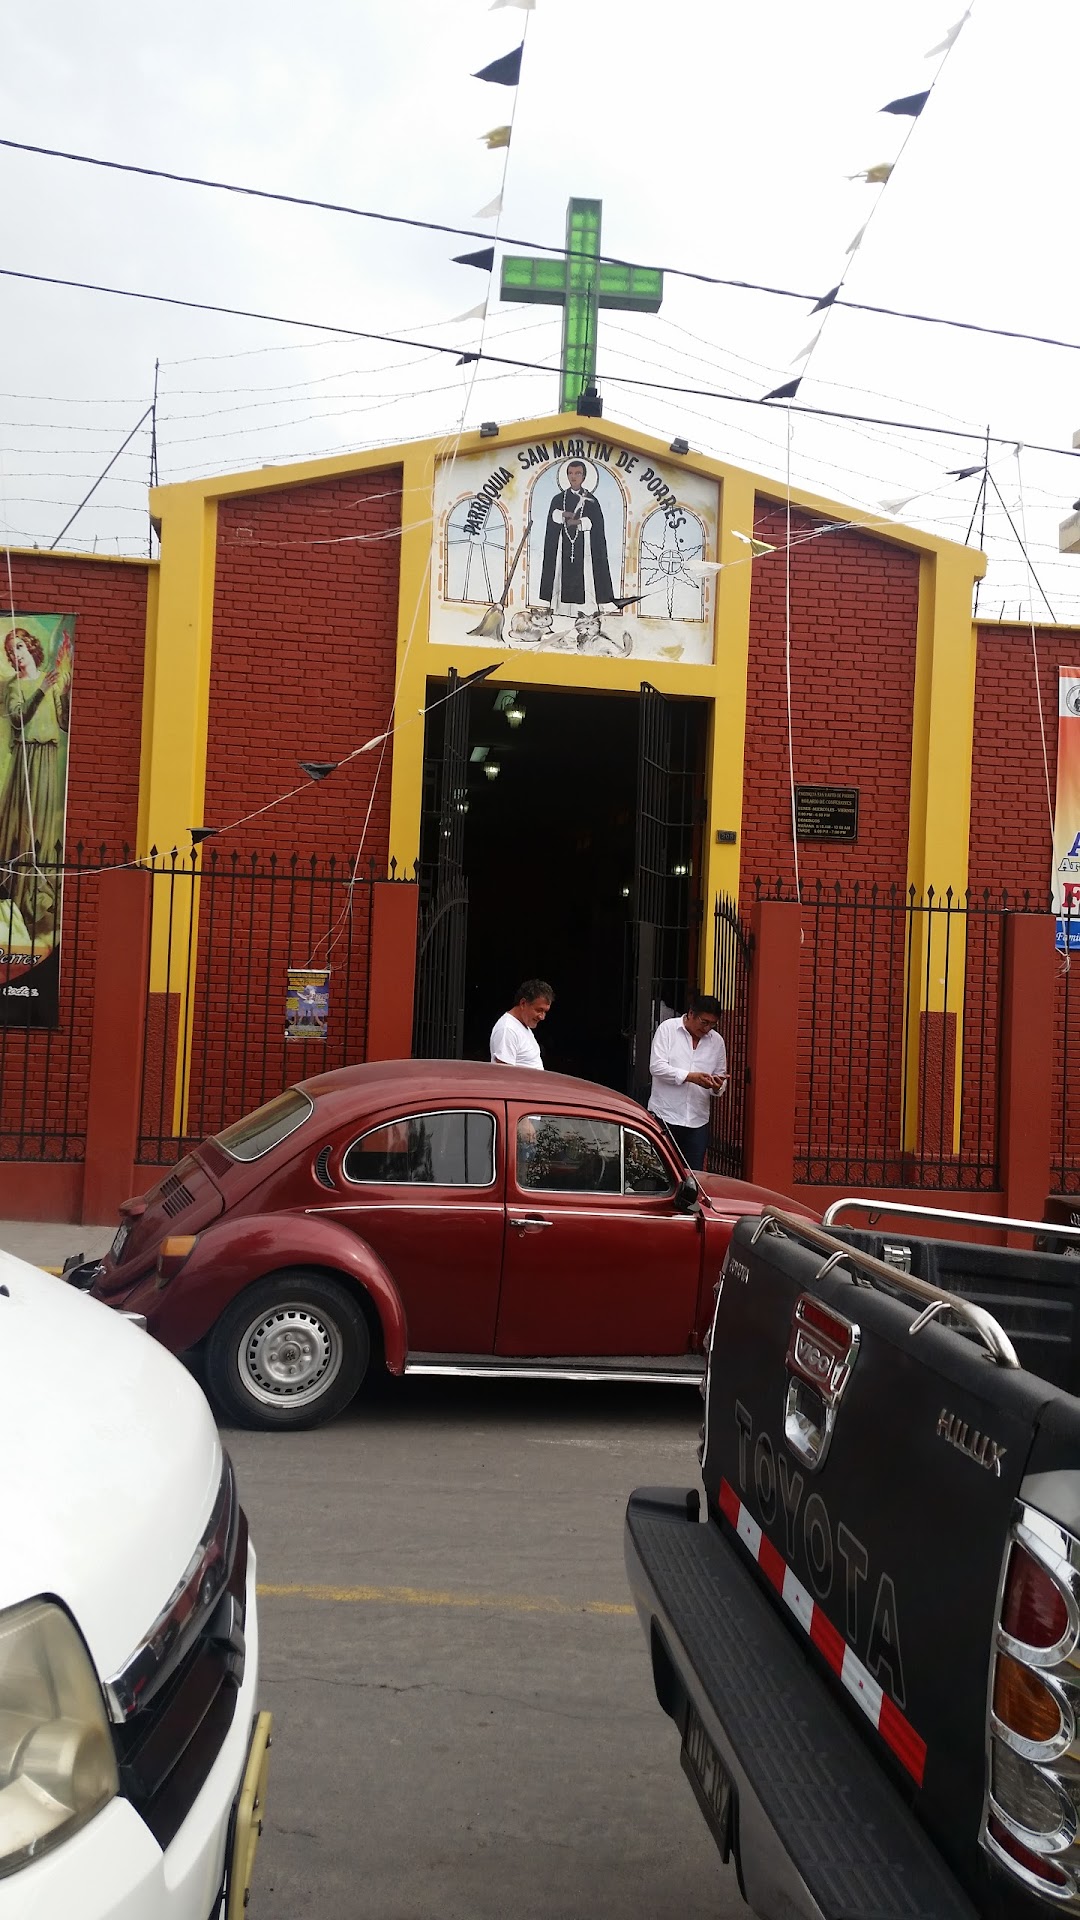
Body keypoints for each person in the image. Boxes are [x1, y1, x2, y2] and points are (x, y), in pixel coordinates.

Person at [648, 992, 727, 1171]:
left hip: (697, 1120)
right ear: (691, 1013)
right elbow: (657, 1067)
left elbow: (721, 1080)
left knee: (693, 1176)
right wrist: (690, 1077)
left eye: (712, 1024)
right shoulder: (668, 1029)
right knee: (659, 1172)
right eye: (704, 1022)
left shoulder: (717, 1042)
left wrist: (717, 1086)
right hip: (665, 1115)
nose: (707, 1028)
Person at [539, 461, 616, 612]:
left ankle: (588, 611)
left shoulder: (592, 501)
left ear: (584, 476)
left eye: (578, 473)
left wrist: (579, 521)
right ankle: (560, 609)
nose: (573, 477)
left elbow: (596, 524)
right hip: (563, 546)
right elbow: (552, 518)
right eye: (570, 473)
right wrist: (562, 514)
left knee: (586, 577)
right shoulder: (558, 498)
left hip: (585, 547)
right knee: (560, 575)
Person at [490, 979, 554, 1070]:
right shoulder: (507, 1029)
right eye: (539, 1010)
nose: (542, 1017)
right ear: (523, 1003)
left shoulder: (522, 1026)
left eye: (545, 1012)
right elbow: (503, 1075)